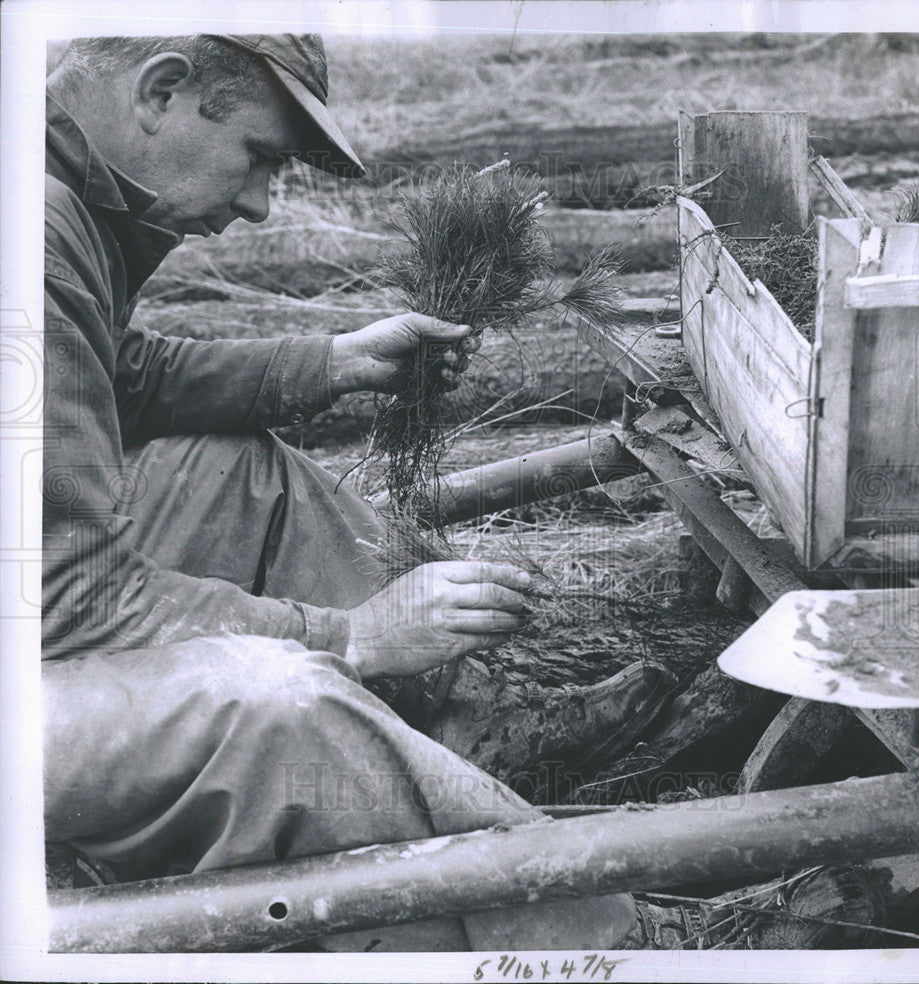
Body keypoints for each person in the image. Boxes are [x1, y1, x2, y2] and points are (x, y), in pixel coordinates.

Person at [41, 32, 674, 950]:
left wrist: (333, 362)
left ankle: (464, 730)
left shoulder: (59, 197)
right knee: (280, 705)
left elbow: (116, 377)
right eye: (257, 157)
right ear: (161, 93)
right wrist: (353, 638)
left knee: (238, 475)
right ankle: (601, 952)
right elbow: (71, 602)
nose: (258, 205)